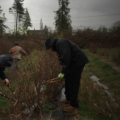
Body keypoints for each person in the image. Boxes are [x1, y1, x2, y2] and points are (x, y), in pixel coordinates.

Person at [45, 37, 89, 113]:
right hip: (72, 64)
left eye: (50, 47)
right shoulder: (59, 44)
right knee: (68, 80)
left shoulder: (60, 43)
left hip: (77, 62)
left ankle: (74, 105)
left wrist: (63, 73)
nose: (50, 49)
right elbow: (62, 60)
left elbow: (66, 58)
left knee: (73, 82)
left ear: (51, 43)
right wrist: (63, 73)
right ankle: (68, 99)